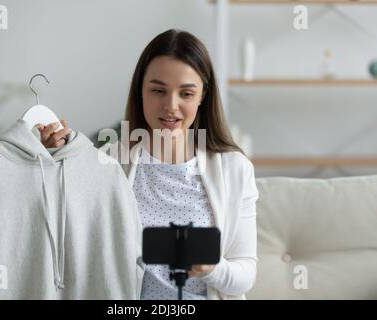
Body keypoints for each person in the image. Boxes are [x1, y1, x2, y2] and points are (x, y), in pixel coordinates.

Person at [38, 29, 259, 300]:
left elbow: (245, 275)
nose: (171, 106)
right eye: (158, 90)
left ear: (203, 96)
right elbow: (64, 223)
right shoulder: (110, 162)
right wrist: (54, 159)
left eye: (186, 94)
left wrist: (211, 268)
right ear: (140, 91)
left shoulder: (234, 170)